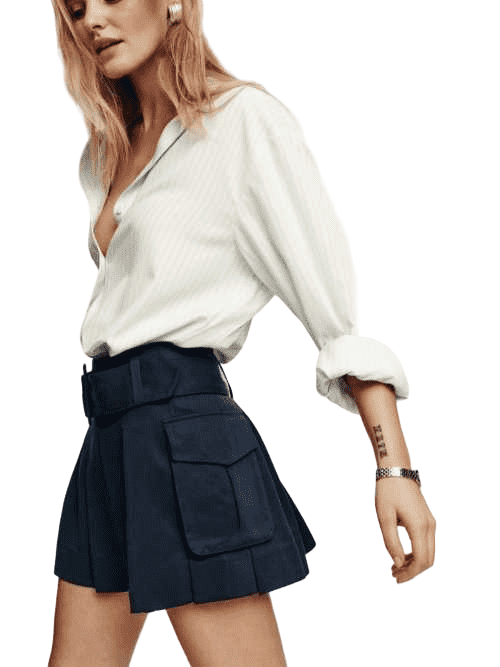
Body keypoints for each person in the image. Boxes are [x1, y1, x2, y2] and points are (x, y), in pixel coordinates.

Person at [47, 1, 438, 666]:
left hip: (186, 441)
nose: (92, 21)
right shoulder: (104, 151)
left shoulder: (244, 121)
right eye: (78, 8)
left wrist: (394, 467)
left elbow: (334, 313)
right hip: (107, 439)